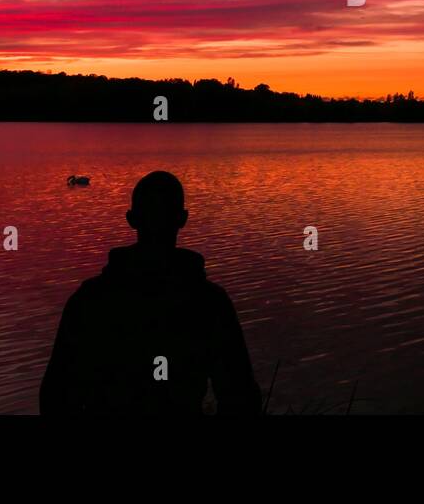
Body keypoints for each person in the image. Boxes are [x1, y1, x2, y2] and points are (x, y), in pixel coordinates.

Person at [40, 170, 262, 414]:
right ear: (182, 219)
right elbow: (241, 397)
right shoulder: (210, 302)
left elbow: (56, 396)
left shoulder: (90, 299)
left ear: (131, 219)